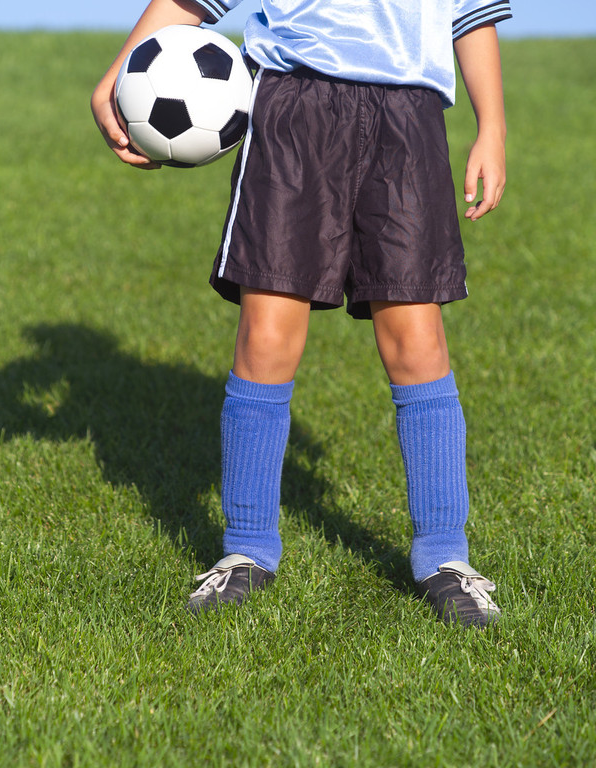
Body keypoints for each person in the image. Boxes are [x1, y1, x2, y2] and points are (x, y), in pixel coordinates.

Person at [91, 0, 512, 628]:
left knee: (416, 338)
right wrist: (119, 71)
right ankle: (247, 549)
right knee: (266, 334)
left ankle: (445, 557)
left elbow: (470, 13)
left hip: (408, 115)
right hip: (292, 105)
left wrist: (492, 126)